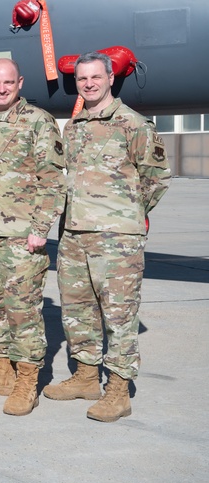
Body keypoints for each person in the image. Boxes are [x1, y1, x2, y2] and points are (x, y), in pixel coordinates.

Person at [44, 51, 170, 422]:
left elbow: (156, 178)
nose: (88, 83)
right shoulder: (75, 125)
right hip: (74, 235)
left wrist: (127, 213)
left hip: (117, 239)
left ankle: (118, 389)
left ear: (110, 78)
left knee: (119, 316)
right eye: (82, 79)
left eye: (95, 77)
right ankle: (85, 377)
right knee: (77, 312)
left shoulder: (133, 124)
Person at [0, 58, 65, 416]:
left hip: (23, 237)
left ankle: (27, 380)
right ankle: (1, 371)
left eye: (8, 82)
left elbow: (52, 180)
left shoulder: (38, 121)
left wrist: (40, 230)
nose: (2, 88)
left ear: (19, 83)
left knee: (23, 312)